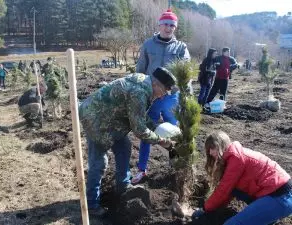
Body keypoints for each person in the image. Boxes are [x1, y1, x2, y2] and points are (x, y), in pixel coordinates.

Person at [79, 67, 176, 217]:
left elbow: (138, 115)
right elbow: (139, 130)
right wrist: (161, 141)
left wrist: (155, 127)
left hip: (111, 119)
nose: (163, 96)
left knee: (124, 146)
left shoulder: (145, 83)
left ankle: (123, 185)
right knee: (99, 162)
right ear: (156, 84)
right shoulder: (139, 92)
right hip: (96, 120)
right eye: (164, 91)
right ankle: (91, 204)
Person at [133, 9, 190, 184]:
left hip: (171, 98)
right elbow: (140, 69)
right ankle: (142, 170)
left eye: (172, 25)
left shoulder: (181, 48)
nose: (169, 28)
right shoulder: (148, 45)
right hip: (151, 96)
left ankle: (176, 167)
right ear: (159, 24)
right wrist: (136, 91)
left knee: (173, 133)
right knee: (146, 132)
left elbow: (185, 74)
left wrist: (187, 97)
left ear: (175, 28)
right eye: (166, 24)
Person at [192, 131, 292, 225]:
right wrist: (212, 210)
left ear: (221, 145)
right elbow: (229, 192)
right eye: (208, 149)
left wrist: (205, 208)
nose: (210, 153)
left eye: (212, 148)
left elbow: (223, 189)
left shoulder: (236, 158)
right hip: (276, 197)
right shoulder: (233, 157)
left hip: (279, 197)